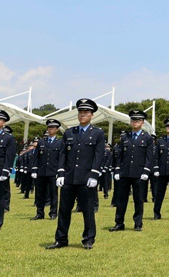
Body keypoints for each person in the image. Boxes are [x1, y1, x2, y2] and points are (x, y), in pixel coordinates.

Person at [46, 98, 106, 250]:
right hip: (69, 177)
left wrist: (94, 175)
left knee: (87, 211)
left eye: (86, 112)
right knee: (64, 210)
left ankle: (88, 239)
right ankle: (61, 239)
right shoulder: (69, 132)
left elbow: (99, 155)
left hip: (86, 178)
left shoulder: (98, 133)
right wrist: (60, 173)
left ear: (92, 115)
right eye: (80, 112)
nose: (82, 115)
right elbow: (63, 154)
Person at [110, 110, 153, 232]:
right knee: (121, 199)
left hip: (139, 173)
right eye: (133, 120)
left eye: (138, 120)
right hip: (124, 172)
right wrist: (117, 169)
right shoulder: (125, 137)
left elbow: (149, 157)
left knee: (138, 199)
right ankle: (119, 223)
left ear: (142, 122)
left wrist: (146, 171)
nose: (135, 122)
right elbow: (120, 155)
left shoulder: (147, 138)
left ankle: (138, 223)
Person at [31, 119, 63, 220]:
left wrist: (60, 171)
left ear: (57, 129)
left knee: (53, 194)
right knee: (40, 193)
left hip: (53, 172)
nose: (50, 129)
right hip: (42, 171)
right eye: (49, 127)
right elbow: (36, 157)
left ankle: (53, 213)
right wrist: (34, 169)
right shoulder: (41, 142)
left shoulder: (60, 142)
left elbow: (61, 158)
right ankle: (40, 213)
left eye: (53, 127)